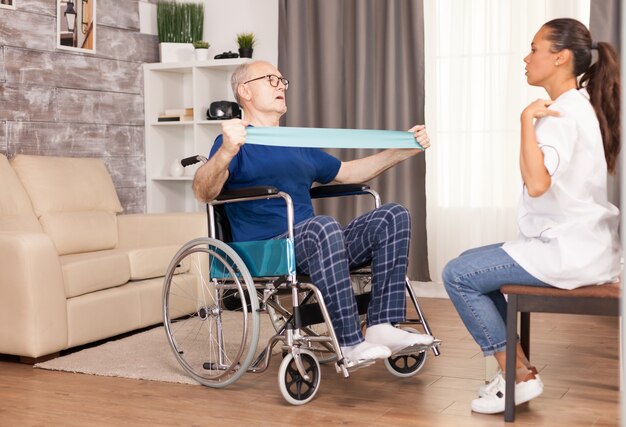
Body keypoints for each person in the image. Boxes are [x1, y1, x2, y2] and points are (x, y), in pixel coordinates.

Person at [193, 60, 434, 367]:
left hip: (316, 244)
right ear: (245, 91)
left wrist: (404, 150)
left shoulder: (295, 142)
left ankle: (381, 326)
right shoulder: (237, 142)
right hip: (269, 250)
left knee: (393, 216)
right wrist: (227, 150)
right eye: (271, 79)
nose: (281, 85)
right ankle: (348, 342)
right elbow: (204, 191)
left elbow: (347, 173)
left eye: (282, 80)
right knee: (323, 227)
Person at [442, 18, 621, 415]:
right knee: (473, 264)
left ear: (560, 58)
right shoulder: (576, 107)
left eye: (534, 48)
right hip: (580, 246)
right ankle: (519, 371)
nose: (526, 57)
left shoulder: (557, 116)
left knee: (458, 274)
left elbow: (537, 183)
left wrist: (526, 121)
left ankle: (518, 379)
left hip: (566, 251)